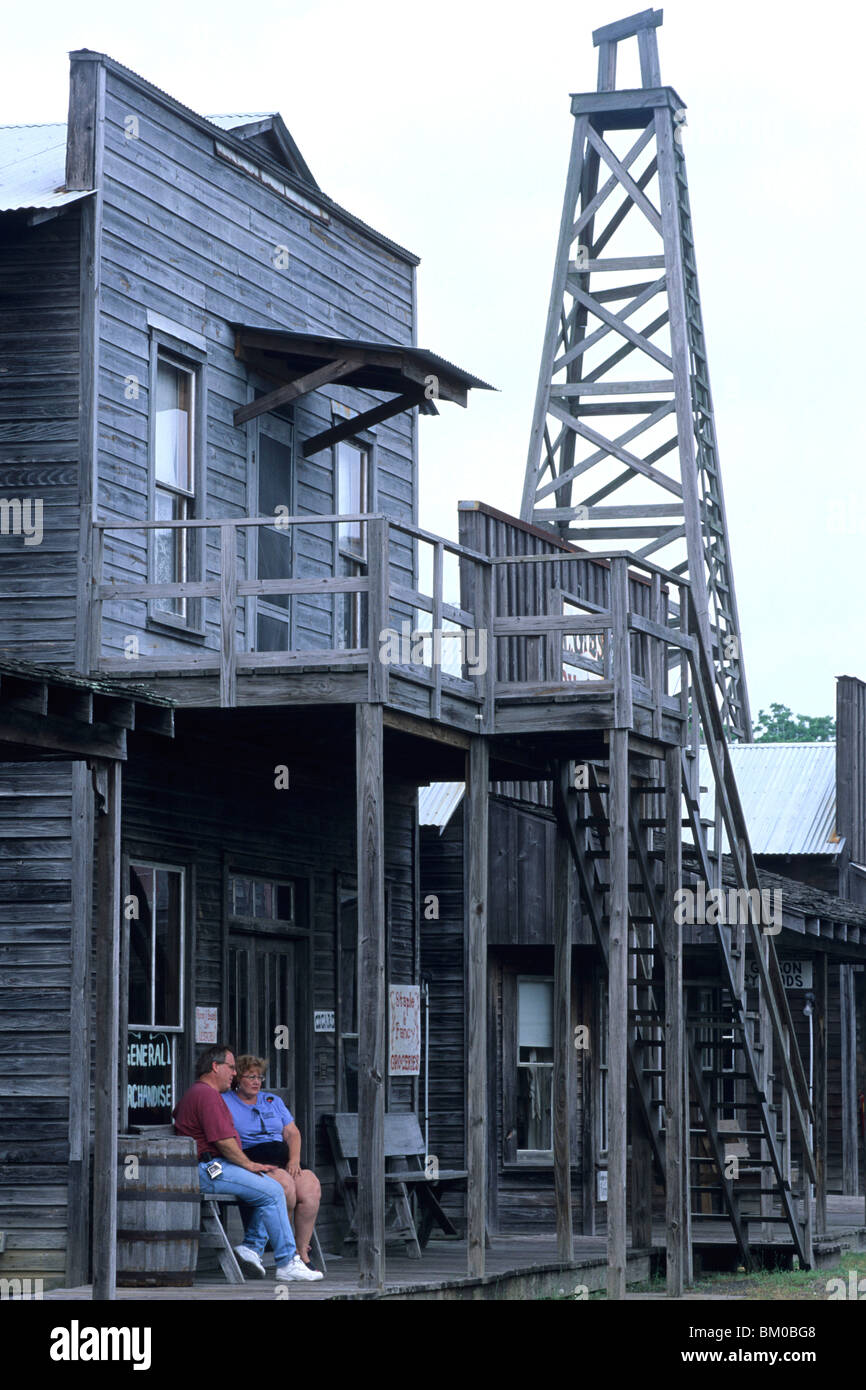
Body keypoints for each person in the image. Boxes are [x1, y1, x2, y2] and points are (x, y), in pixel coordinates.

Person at [173, 1043, 323, 1283]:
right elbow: (223, 1141)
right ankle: (286, 1261)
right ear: (215, 1067)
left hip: (212, 1166)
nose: (233, 1073)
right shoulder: (208, 1095)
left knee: (278, 1187)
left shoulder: (199, 1093)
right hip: (208, 1170)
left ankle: (255, 1248)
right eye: (231, 1068)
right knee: (275, 1190)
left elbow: (178, 1112)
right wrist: (249, 1165)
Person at [222, 1055, 322, 1267]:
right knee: (285, 1185)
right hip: (253, 1158)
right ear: (238, 1078)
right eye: (251, 1077)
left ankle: (302, 1251)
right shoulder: (226, 1102)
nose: (257, 1081)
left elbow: (293, 1134)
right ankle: (285, 1254)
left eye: (260, 1077)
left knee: (310, 1185)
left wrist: (294, 1160)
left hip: (282, 1156)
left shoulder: (272, 1101)